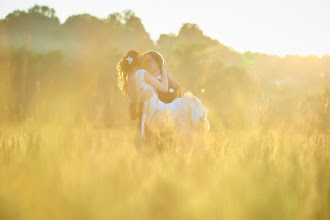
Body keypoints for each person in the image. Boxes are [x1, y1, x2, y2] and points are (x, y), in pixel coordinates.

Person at [117, 50, 209, 150]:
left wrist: (166, 73)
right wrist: (138, 99)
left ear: (158, 63)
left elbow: (180, 115)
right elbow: (132, 115)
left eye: (149, 60)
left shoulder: (173, 85)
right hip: (148, 139)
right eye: (143, 60)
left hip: (169, 139)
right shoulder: (140, 80)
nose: (145, 63)